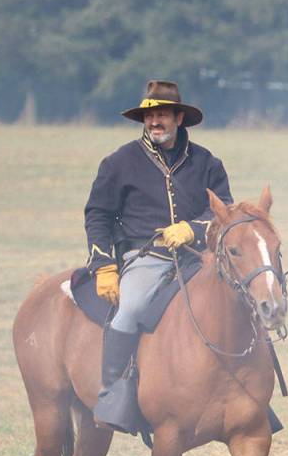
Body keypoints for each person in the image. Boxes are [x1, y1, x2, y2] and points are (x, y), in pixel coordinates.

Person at [84, 79, 233, 433]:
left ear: (179, 118)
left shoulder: (207, 163)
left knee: (239, 298)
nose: (154, 122)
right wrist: (104, 265)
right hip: (146, 256)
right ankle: (113, 395)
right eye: (149, 117)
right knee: (131, 307)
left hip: (199, 256)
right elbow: (98, 215)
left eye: (162, 115)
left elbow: (223, 209)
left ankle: (249, 395)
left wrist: (193, 229)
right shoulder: (119, 162)